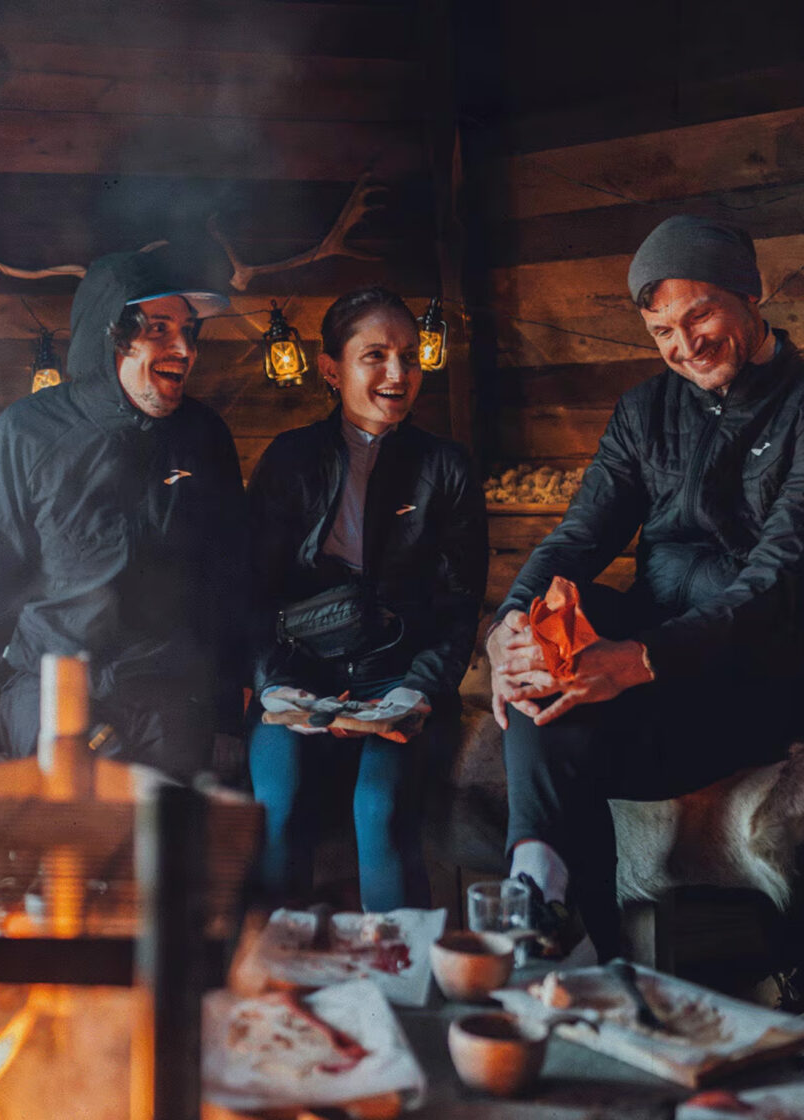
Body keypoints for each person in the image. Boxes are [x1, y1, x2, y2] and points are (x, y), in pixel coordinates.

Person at [488, 215, 804, 963]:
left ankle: (574, 937)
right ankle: (540, 886)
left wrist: (642, 659)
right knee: (551, 629)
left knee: (561, 727)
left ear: (749, 294)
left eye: (700, 315)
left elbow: (781, 574)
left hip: (753, 670)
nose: (684, 345)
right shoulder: (643, 411)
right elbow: (577, 539)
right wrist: (508, 624)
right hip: (644, 658)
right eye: (663, 329)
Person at [0, 245, 248, 780]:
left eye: (189, 331)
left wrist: (228, 718)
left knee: (164, 851)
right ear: (110, 335)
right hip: (53, 690)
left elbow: (228, 580)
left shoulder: (204, 436)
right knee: (74, 849)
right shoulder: (26, 433)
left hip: (167, 696)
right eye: (158, 329)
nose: (183, 348)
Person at [246, 287, 488, 911]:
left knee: (377, 808)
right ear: (331, 369)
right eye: (374, 355)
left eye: (409, 356)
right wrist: (275, 686)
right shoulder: (290, 461)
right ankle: (279, 984)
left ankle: (399, 984)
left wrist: (420, 690)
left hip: (400, 683)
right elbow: (252, 592)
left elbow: (460, 606)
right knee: (278, 806)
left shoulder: (447, 467)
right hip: (301, 682)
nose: (398, 373)